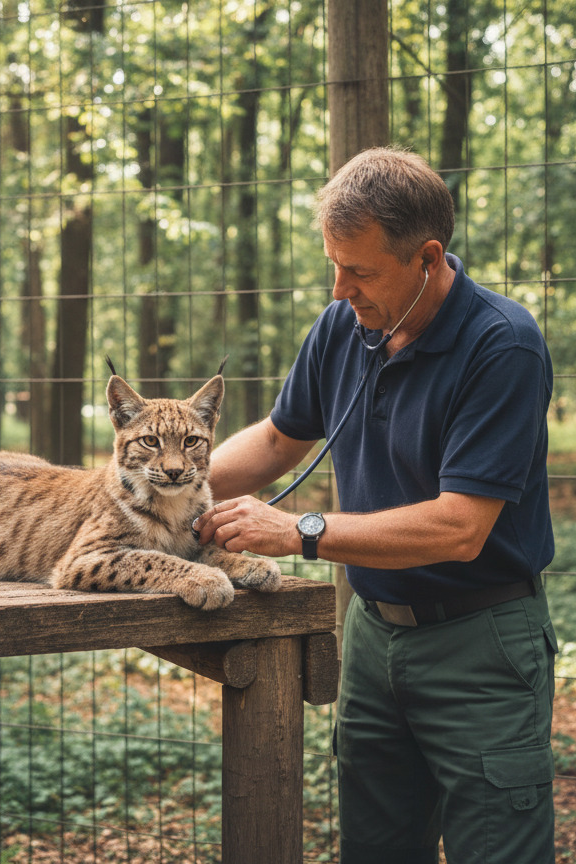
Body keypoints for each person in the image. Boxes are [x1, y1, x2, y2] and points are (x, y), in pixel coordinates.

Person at [193, 147, 557, 863]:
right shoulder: (343, 326)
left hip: (480, 644)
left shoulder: (502, 345)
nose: (339, 290)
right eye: (333, 265)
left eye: (359, 271)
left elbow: (460, 527)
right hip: (371, 637)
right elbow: (274, 441)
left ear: (428, 258)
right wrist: (151, 487)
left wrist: (299, 529)